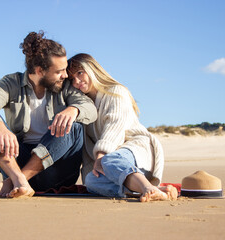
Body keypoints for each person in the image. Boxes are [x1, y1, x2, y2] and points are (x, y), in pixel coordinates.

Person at [0, 32, 97, 198]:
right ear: (40, 71)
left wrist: (74, 110)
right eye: (59, 71)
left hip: (57, 171)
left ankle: (15, 181)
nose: (66, 75)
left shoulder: (64, 86)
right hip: (19, 160)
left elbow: (90, 108)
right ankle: (19, 178)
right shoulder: (12, 83)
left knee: (74, 126)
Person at [67, 53, 178, 202]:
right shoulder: (85, 107)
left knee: (109, 159)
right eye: (72, 79)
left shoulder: (116, 91)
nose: (77, 81)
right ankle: (153, 191)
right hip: (112, 167)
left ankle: (148, 188)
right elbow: (88, 148)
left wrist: (100, 157)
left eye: (80, 73)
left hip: (135, 150)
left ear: (92, 68)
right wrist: (91, 172)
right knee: (90, 182)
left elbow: (114, 127)